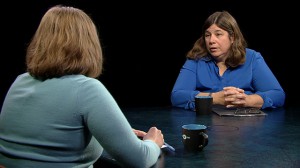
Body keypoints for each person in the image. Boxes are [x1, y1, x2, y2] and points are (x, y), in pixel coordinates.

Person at [0, 5, 164, 168]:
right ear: (89, 44)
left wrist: (111, 132)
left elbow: (47, 139)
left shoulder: (19, 82)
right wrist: (153, 142)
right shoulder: (86, 89)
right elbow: (140, 159)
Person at [171, 11, 285, 111]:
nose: (211, 40)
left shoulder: (252, 58)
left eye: (218, 34)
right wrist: (214, 98)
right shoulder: (195, 59)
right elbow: (177, 96)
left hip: (244, 128)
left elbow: (278, 95)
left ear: (232, 37)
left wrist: (247, 100)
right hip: (205, 124)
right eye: (207, 35)